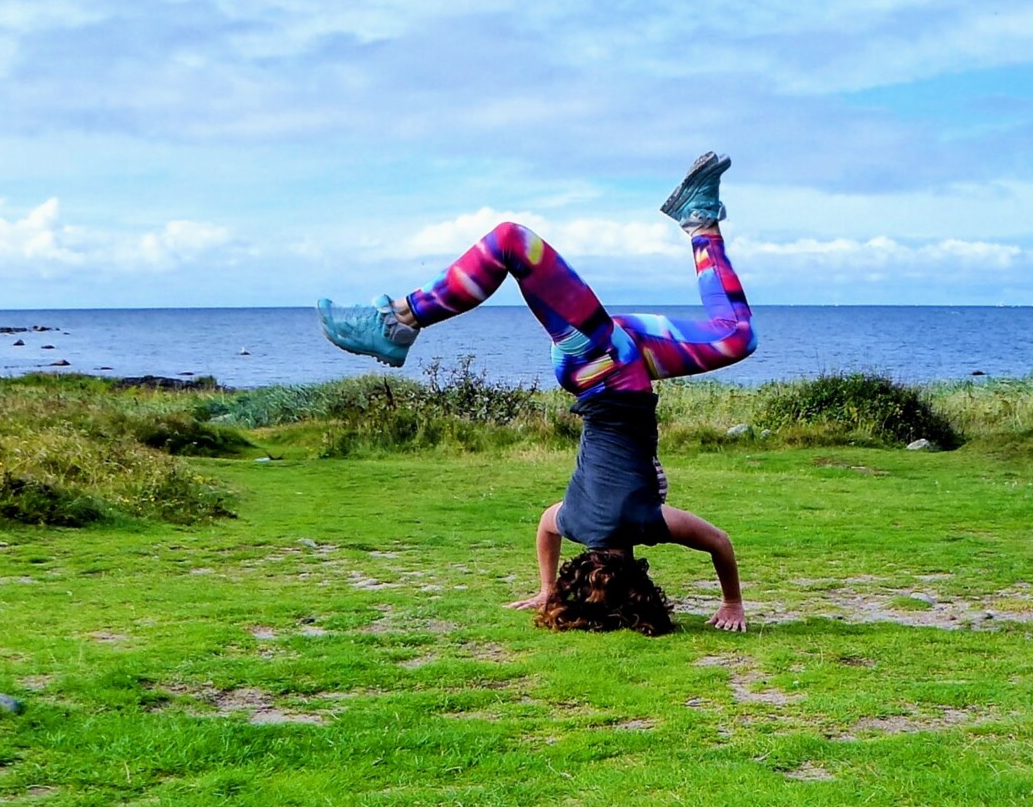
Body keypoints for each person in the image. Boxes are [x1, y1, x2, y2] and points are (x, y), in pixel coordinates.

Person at [317, 152, 756, 633]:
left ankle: (399, 321)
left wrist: (733, 602)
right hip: (623, 362)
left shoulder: (650, 523)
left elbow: (718, 541)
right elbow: (547, 527)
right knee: (736, 337)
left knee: (511, 242)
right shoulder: (576, 522)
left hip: (602, 365)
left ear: (639, 577)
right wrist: (548, 588)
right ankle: (698, 218)